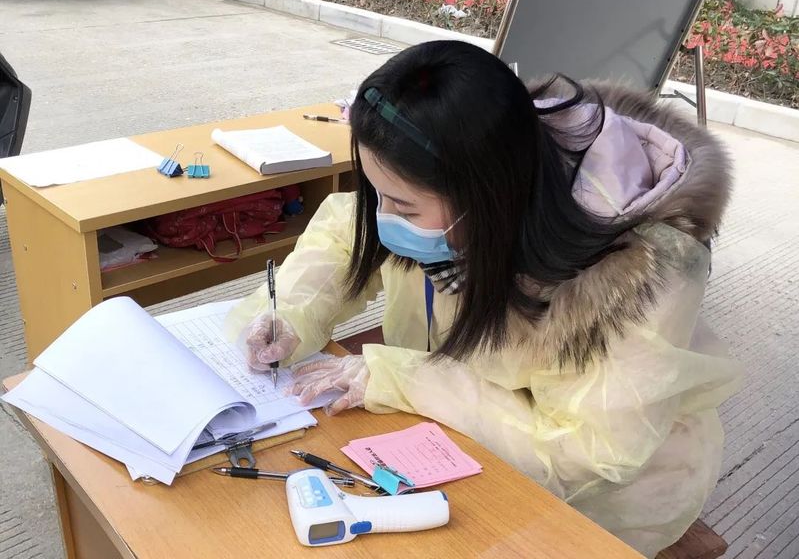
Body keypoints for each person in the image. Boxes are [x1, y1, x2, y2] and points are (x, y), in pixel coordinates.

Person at [227, 40, 741, 557]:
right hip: (451, 433)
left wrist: (407, 380)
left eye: (403, 207)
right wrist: (291, 313)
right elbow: (345, 235)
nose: (384, 217)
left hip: (606, 499)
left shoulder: (636, 280)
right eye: (377, 193)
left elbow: (590, 454)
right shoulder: (454, 179)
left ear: (486, 199)